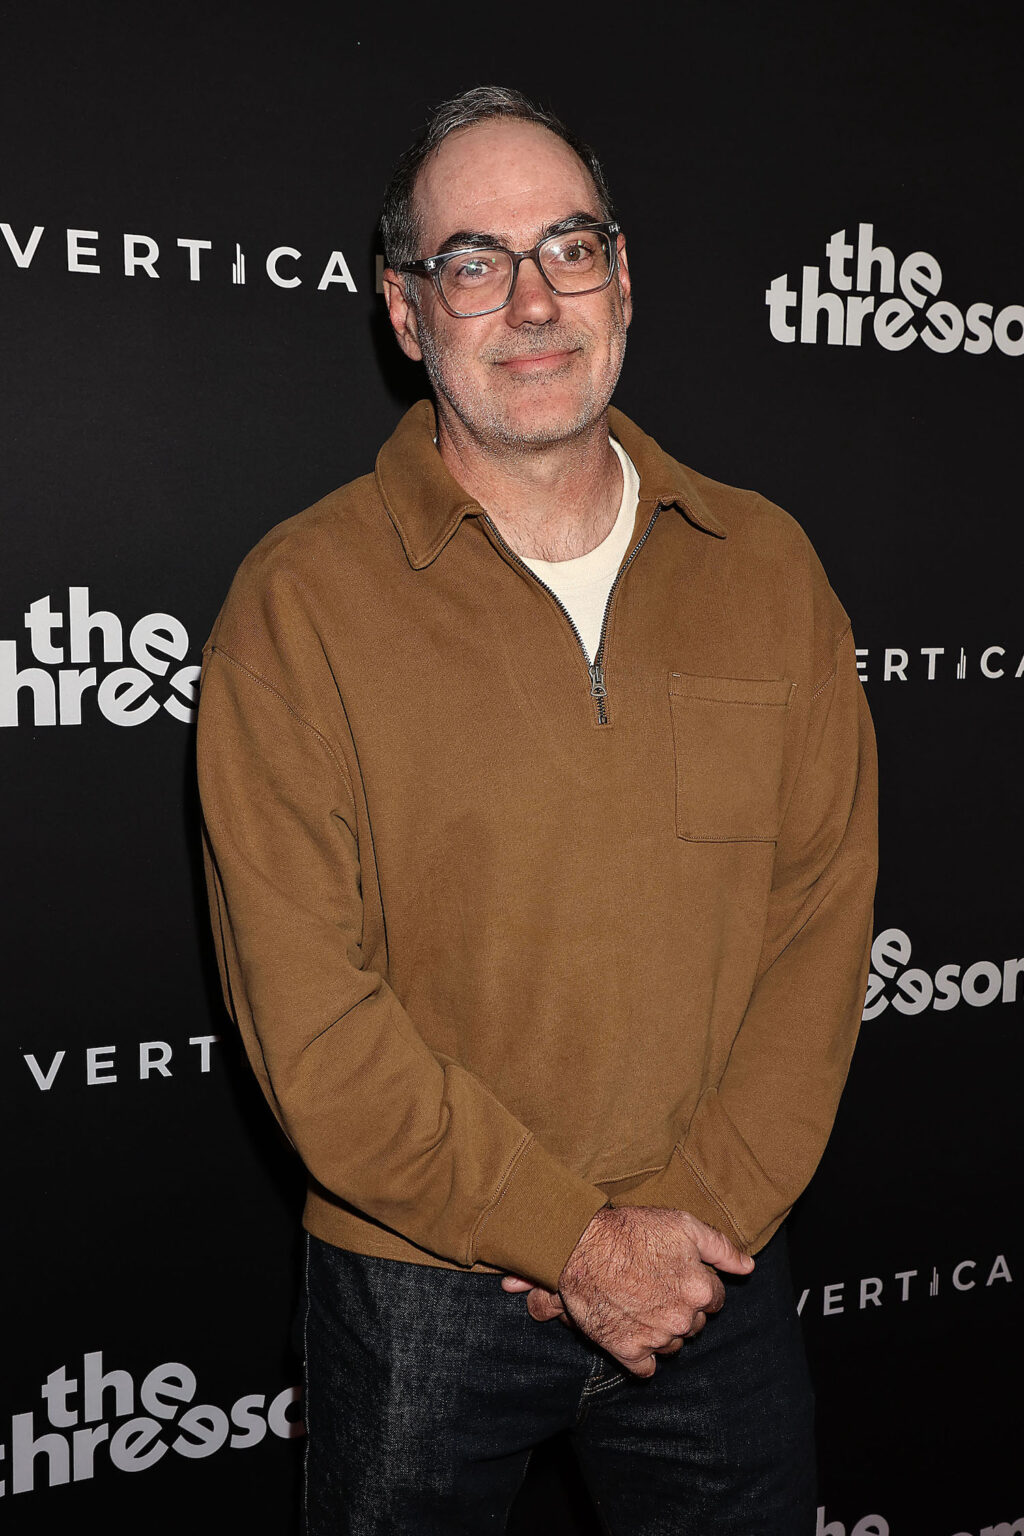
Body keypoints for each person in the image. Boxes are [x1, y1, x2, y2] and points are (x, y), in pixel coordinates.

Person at [196, 85, 877, 1535]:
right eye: (473, 262)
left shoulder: (768, 567)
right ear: (406, 312)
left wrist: (690, 1226)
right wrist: (570, 1238)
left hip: (715, 1269)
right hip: (419, 1297)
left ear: (621, 278)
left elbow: (821, 930)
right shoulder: (298, 603)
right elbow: (308, 1013)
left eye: (569, 247)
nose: (531, 301)